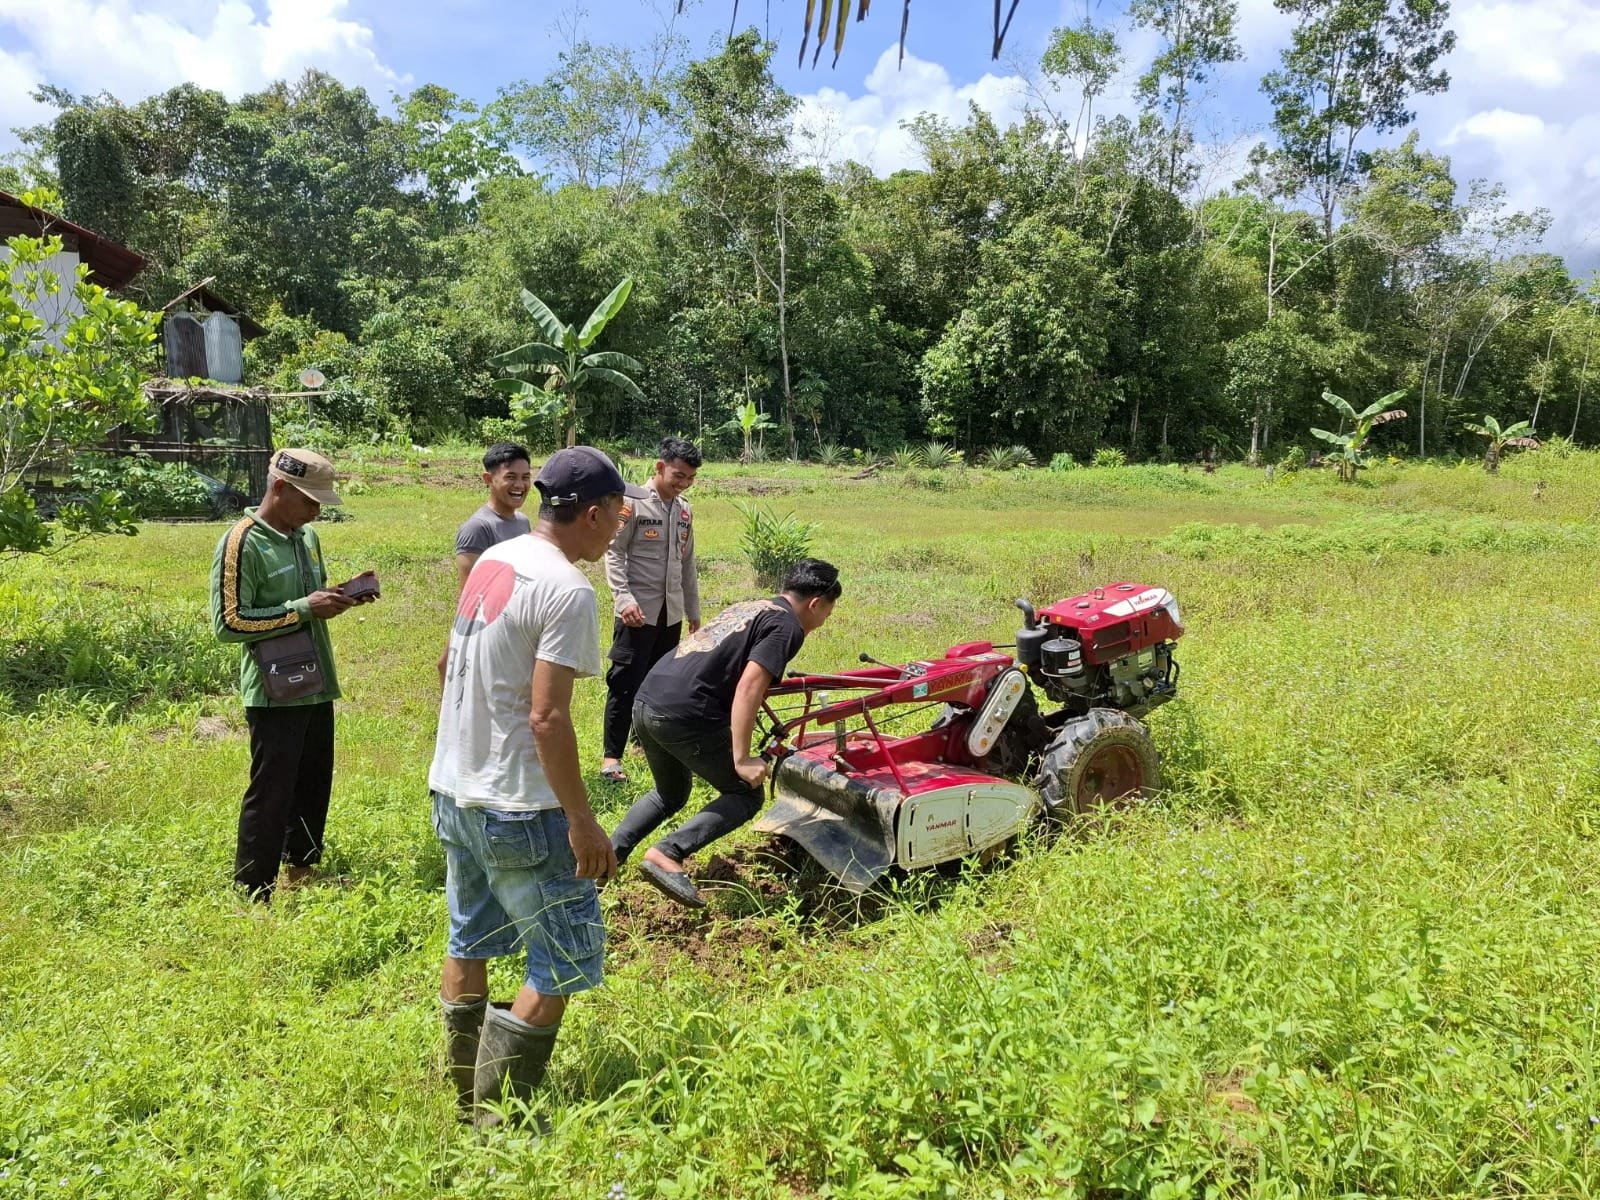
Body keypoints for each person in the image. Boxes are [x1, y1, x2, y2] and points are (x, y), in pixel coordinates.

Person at [430, 446, 625, 1126]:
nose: (620, 528)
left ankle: (464, 1099)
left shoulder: (496, 559)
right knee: (564, 956)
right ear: (594, 514)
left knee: (470, 939)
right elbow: (547, 717)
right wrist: (582, 821)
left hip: (454, 790)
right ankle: (496, 1120)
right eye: (618, 515)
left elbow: (448, 665)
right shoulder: (567, 589)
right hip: (519, 806)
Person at [610, 559, 842, 909]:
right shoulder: (787, 626)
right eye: (827, 613)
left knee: (670, 793)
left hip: (648, 701)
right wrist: (742, 758)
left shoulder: (753, 606)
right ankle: (668, 853)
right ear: (815, 603)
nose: (824, 622)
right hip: (686, 714)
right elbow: (749, 687)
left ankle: (606, 859)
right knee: (745, 793)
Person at [210, 448, 375, 902]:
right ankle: (253, 889)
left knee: (313, 782)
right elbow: (229, 623)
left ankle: (301, 871)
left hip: (316, 680)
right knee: (272, 790)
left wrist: (338, 598)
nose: (316, 511)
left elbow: (309, 599)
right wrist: (304, 608)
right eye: (310, 501)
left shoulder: (307, 537)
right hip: (274, 689)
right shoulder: (242, 542)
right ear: (280, 488)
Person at [600, 436, 703, 783]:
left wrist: (692, 611)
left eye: (690, 478)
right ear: (660, 467)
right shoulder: (633, 504)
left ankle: (641, 742)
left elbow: (687, 564)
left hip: (669, 614)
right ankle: (611, 758)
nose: (684, 483)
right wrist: (623, 598)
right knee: (624, 683)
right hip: (637, 612)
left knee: (657, 682)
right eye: (679, 475)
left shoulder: (684, 509)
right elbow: (614, 552)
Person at [454, 443, 534, 592]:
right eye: (511, 477)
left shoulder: (523, 521)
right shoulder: (477, 528)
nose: (520, 485)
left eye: (525, 477)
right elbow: (469, 595)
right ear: (488, 479)